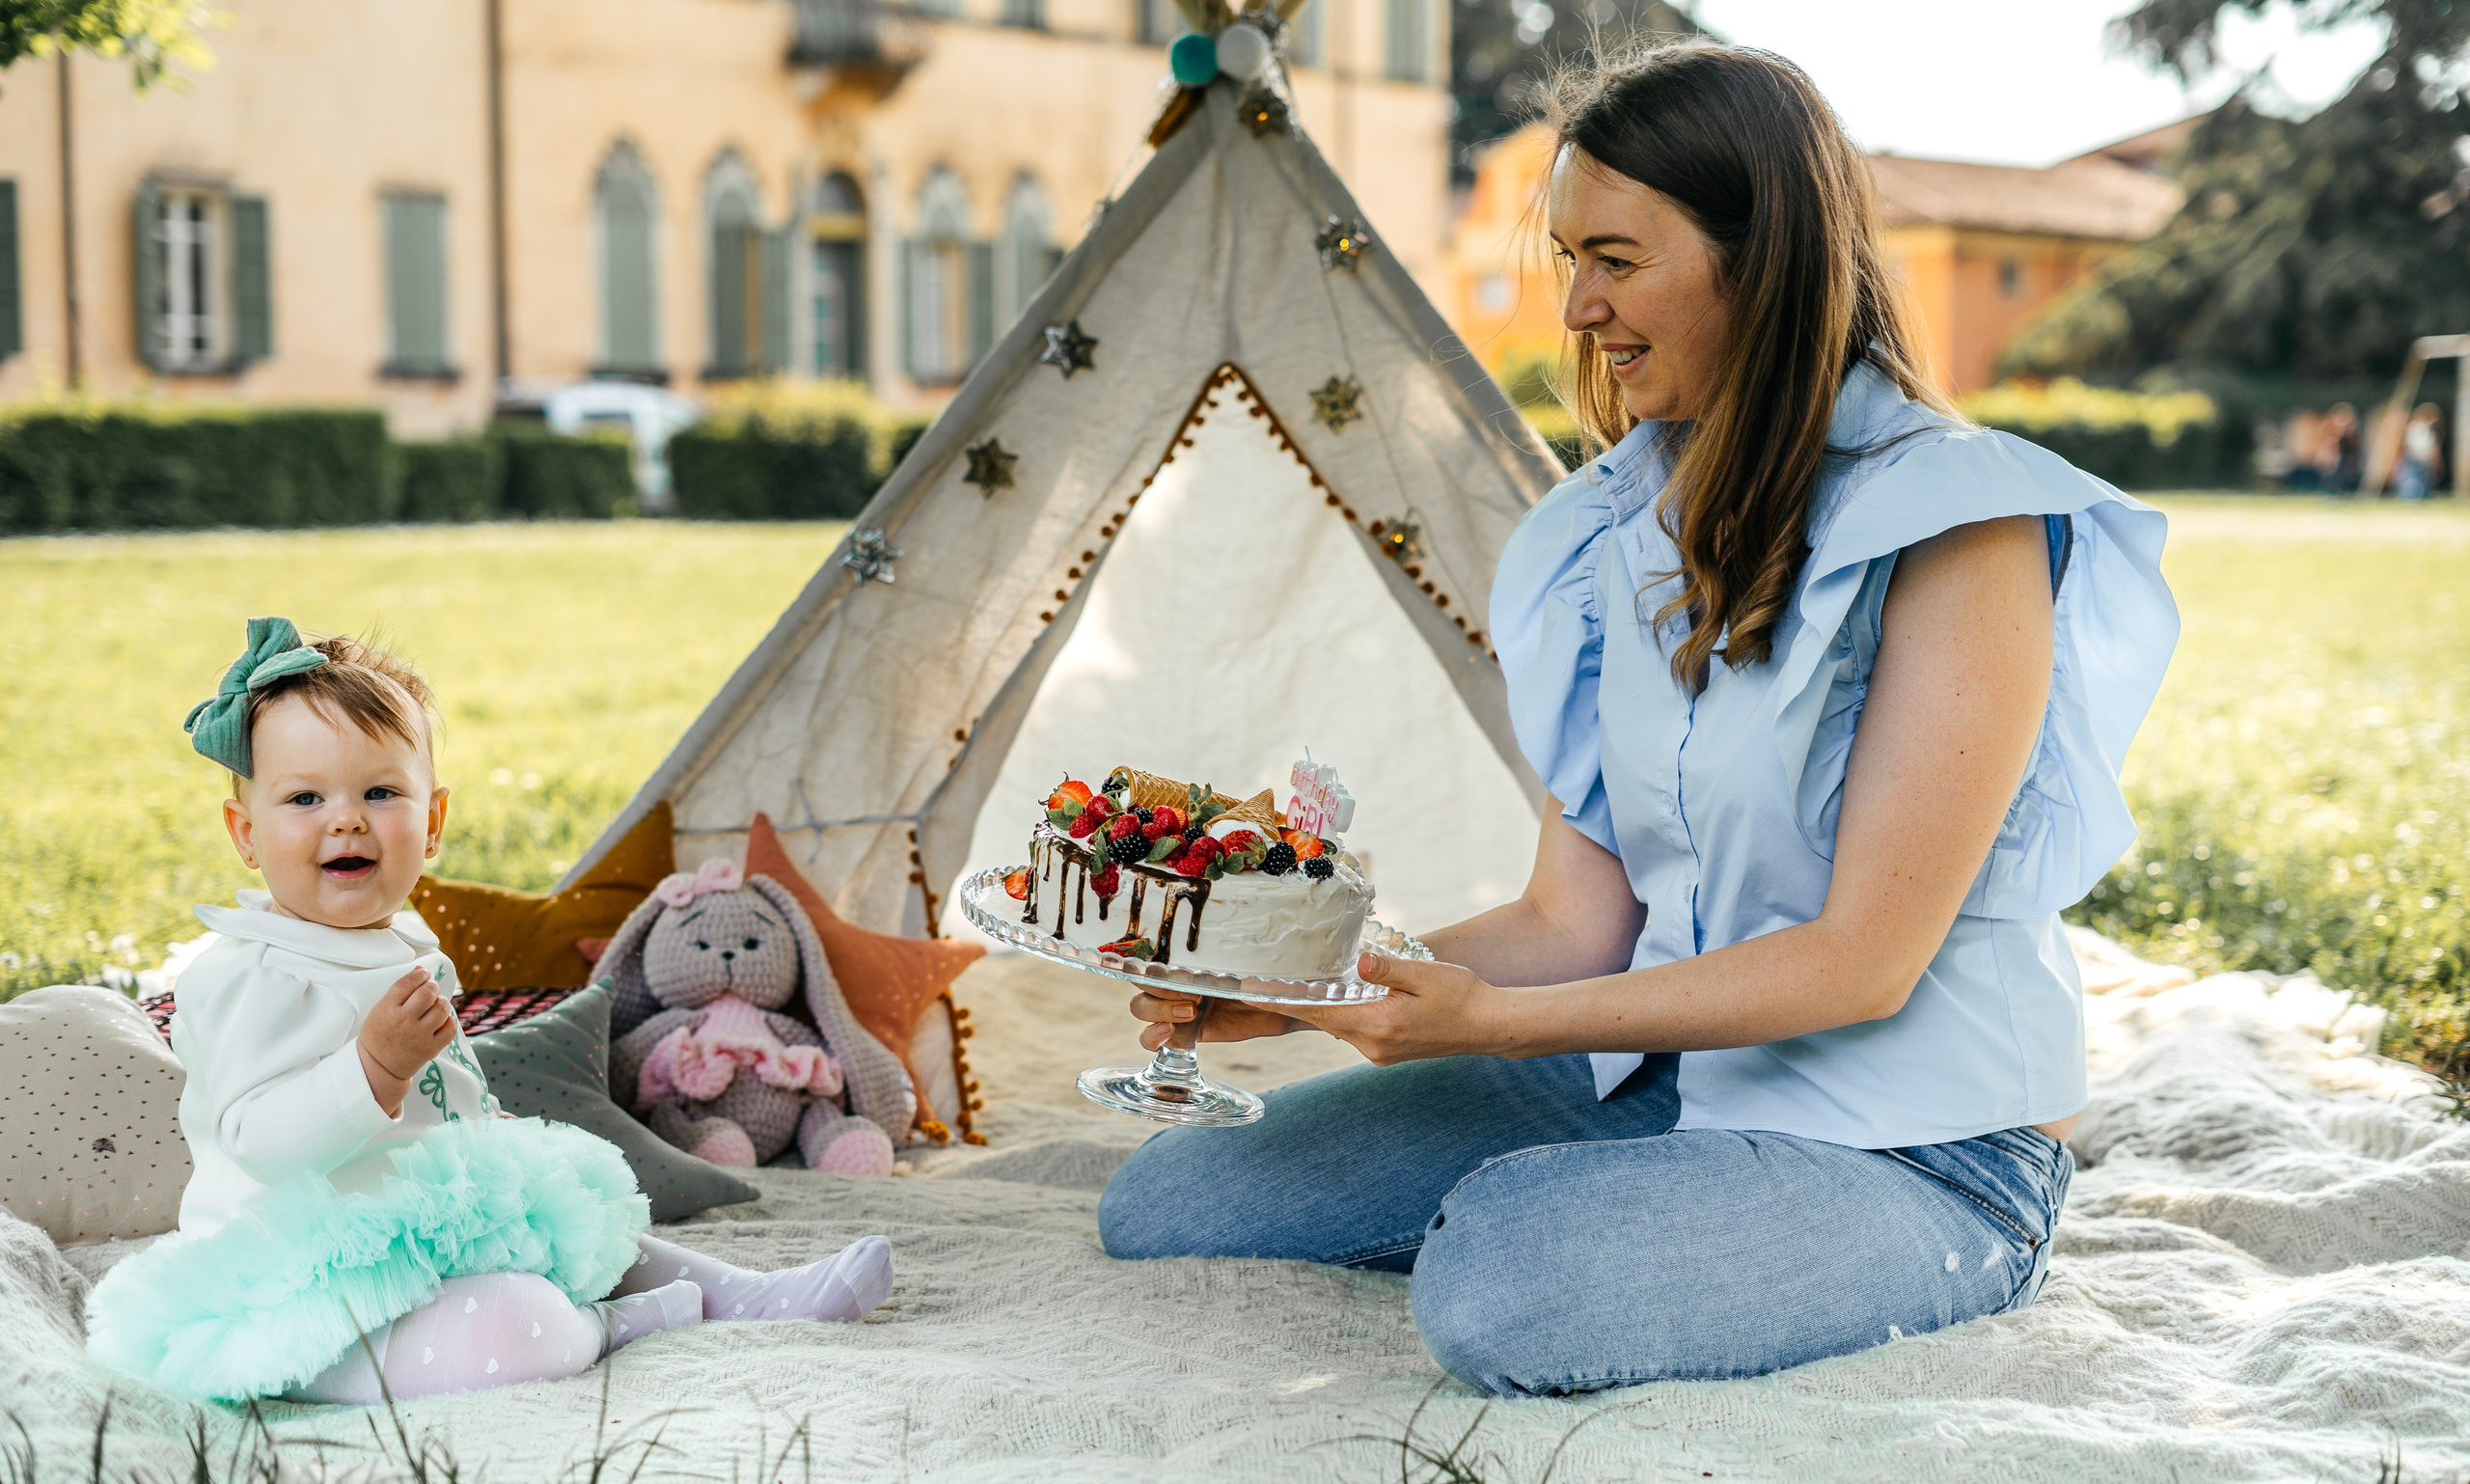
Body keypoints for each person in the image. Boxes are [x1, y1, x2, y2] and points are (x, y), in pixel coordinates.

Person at [1097, 41, 2179, 1396]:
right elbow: (1573, 925)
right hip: (1661, 1077)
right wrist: (1307, 984)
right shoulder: (1616, 526)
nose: (1578, 307)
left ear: (1763, 260)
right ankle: (1646, 1205)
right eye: (1569, 258)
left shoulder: (1961, 524)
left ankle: (1777, 1235)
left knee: (1501, 1280)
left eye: (1615, 259)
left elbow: (1862, 964)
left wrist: (1489, 1026)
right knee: (1173, 1198)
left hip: (1919, 1142)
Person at [84, 620, 894, 1405]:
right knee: (515, 1323)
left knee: (584, 1219)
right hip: (307, 1293)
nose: (347, 817)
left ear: (432, 822)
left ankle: (745, 1292)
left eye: (380, 791)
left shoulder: (403, 943)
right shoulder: (248, 975)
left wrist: (485, 1133)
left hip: (426, 1231)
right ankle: (606, 1326)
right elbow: (258, 1142)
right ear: (245, 833)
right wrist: (374, 1068)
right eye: (304, 797)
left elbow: (448, 1083)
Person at [2398, 402, 2445, 499]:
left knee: (2424, 481)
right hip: (2414, 459)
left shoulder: (2426, 429)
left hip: (2422, 460)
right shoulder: (2416, 428)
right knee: (2414, 480)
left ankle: (2419, 495)